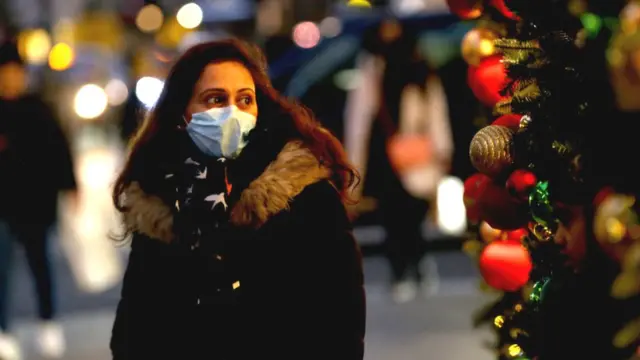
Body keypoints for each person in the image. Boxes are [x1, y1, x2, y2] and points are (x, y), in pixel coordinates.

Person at [110, 39, 366, 359]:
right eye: (215, 99)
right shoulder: (160, 202)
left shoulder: (305, 195)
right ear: (182, 114)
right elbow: (135, 330)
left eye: (245, 99)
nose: (233, 112)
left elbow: (341, 318)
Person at [344, 18, 453, 303]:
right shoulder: (372, 67)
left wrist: (442, 148)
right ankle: (401, 270)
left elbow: (435, 111)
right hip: (384, 155)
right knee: (391, 216)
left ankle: (417, 262)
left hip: (414, 153)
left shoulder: (419, 69)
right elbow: (359, 117)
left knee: (413, 212)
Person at [0, 40, 76, 359]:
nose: (10, 79)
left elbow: (59, 148)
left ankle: (48, 323)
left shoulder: (37, 107)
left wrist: (71, 186)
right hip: (2, 205)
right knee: (1, 268)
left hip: (35, 203)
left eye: (14, 73)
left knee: (40, 264)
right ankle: (3, 331)